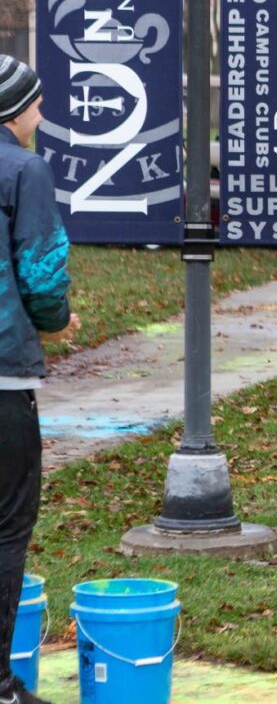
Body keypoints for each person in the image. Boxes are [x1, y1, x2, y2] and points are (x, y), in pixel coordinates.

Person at [0, 56, 77, 704]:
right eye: (37, 104)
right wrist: (57, 319)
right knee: (5, 526)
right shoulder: (24, 169)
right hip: (1, 382)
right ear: (13, 109)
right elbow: (43, 272)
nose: (42, 115)